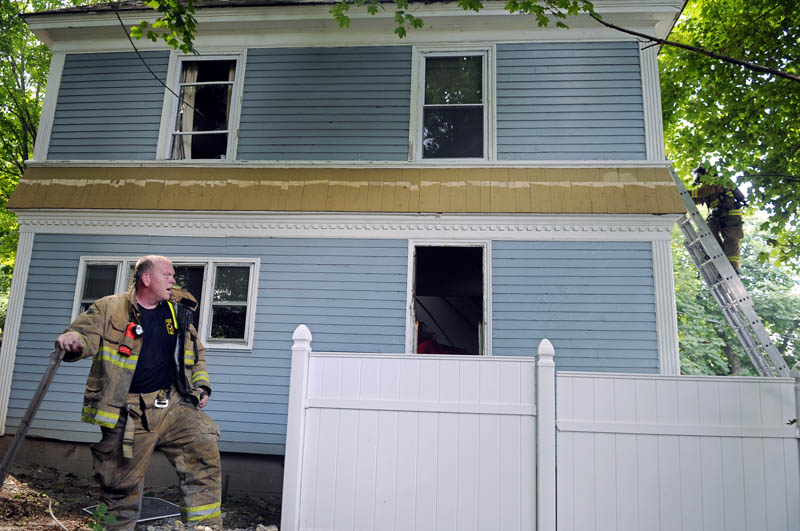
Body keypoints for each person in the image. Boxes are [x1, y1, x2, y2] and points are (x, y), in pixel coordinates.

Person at [56, 255, 222, 530]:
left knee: (203, 445)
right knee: (120, 485)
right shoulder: (110, 308)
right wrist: (73, 341)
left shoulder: (176, 311)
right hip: (129, 411)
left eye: (173, 276)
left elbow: (196, 353)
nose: (173, 280)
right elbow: (83, 335)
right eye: (167, 275)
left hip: (172, 403)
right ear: (146, 278)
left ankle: (205, 526)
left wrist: (201, 385)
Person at [690, 166, 746, 273]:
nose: (699, 180)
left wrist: (679, 192)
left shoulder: (716, 182)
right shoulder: (708, 189)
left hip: (731, 215)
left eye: (700, 177)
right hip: (717, 217)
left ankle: (733, 268)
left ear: (706, 174)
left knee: (731, 239)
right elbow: (696, 198)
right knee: (707, 232)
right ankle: (718, 257)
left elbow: (699, 192)